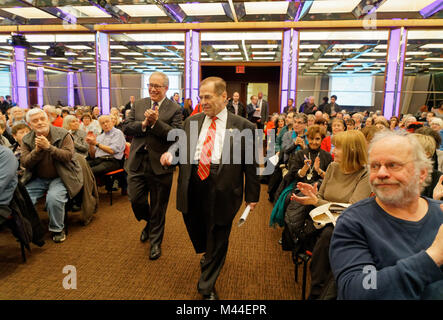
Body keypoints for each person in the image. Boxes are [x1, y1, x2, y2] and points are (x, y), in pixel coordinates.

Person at [160, 76, 260, 300]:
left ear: (224, 97)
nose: (203, 101)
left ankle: (207, 285)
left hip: (225, 185)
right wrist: (170, 155)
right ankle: (209, 252)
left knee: (219, 231)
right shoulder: (192, 121)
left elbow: (251, 164)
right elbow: (181, 146)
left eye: (208, 97)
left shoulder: (245, 127)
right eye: (200, 97)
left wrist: (252, 195)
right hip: (193, 181)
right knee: (197, 225)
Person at [330, 130, 443, 299]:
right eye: (375, 166)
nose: (381, 173)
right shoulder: (355, 222)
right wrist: (433, 257)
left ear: (422, 173)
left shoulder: (439, 213)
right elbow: (359, 291)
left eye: (393, 165)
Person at [290, 130, 372, 299]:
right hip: (320, 221)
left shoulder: (365, 174)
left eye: (338, 147)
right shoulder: (334, 167)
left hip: (344, 227)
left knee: (329, 237)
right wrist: (314, 197)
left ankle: (318, 292)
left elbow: (351, 210)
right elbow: (321, 196)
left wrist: (317, 202)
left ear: (352, 151)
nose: (333, 151)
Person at [123, 71, 183, 261]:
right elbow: (126, 127)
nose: (153, 89)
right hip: (137, 162)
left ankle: (156, 242)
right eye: (150, 85)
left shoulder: (174, 109)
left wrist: (156, 123)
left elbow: (177, 135)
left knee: (159, 206)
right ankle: (149, 224)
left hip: (161, 164)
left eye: (157, 86)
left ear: (166, 88)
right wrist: (143, 123)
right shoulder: (139, 104)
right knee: (135, 200)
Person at [21, 108, 83, 243]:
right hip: (38, 178)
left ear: (48, 120)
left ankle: (57, 229)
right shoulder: (27, 139)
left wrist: (49, 147)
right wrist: (37, 151)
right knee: (23, 198)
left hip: (62, 176)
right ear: (29, 125)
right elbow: (25, 163)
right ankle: (29, 229)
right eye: (35, 121)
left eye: (42, 119)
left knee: (54, 198)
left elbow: (67, 156)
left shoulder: (63, 134)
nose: (39, 123)